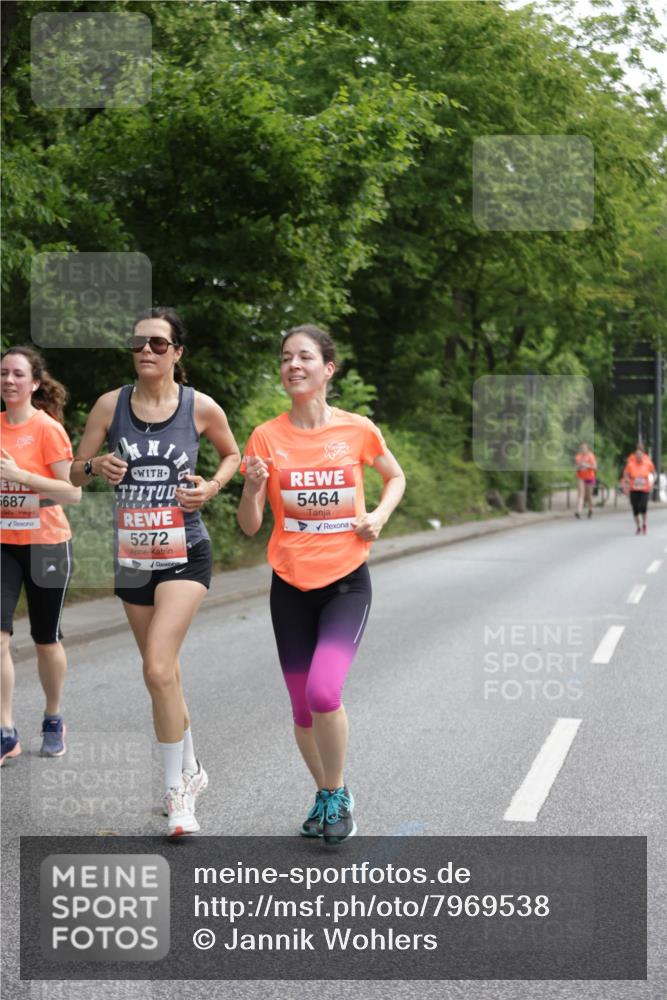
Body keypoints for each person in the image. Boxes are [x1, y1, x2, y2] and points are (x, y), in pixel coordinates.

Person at [70, 307, 240, 836]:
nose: (146, 351)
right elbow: (71, 471)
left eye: (158, 344)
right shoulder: (109, 405)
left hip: (186, 552)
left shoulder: (199, 407)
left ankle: (177, 796)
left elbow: (232, 454)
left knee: (158, 670)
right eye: (139, 343)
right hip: (132, 557)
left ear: (177, 353)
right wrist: (96, 467)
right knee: (162, 674)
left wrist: (210, 487)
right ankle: (191, 767)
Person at [237, 324, 405, 845]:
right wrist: (252, 486)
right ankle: (329, 792)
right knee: (301, 706)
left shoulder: (357, 430)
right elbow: (248, 525)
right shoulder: (266, 437)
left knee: (324, 690)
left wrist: (378, 514)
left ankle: (334, 797)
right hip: (289, 583)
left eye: (305, 357)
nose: (293, 365)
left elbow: (394, 476)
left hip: (345, 583)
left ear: (327, 369)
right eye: (286, 357)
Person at [1, 346, 81, 765]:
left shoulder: (48, 429)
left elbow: (73, 492)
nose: (8, 381)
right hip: (3, 547)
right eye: (3, 374)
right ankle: (5, 730)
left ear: (33, 383)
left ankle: (52, 717)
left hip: (47, 543)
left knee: (45, 639)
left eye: (17, 374)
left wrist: (20, 476)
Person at [622, 442, 655, 535]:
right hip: (634, 488)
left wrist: (652, 481)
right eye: (637, 455)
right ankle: (638, 526)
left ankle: (644, 524)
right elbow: (625, 473)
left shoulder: (647, 462)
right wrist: (627, 480)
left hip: (645, 488)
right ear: (635, 455)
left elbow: (653, 473)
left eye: (640, 455)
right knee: (635, 508)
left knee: (643, 507)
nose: (638, 456)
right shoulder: (631, 463)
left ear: (643, 454)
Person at [574, 442, 596, 519]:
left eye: (584, 448)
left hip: (590, 477)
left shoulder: (591, 456)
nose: (583, 449)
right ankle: (578, 511)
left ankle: (590, 509)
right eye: (581, 448)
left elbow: (595, 467)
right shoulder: (578, 457)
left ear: (587, 448)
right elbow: (576, 467)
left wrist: (587, 465)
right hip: (580, 477)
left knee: (589, 495)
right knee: (581, 494)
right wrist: (579, 467)